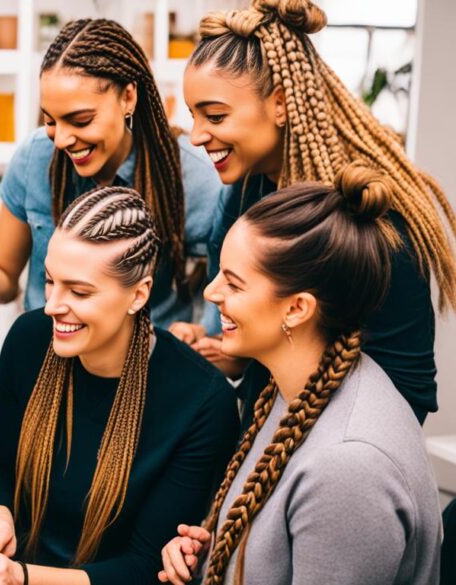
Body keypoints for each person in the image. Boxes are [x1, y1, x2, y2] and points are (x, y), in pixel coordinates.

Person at [174, 0, 456, 422]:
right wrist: (221, 343)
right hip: (260, 439)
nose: (196, 136)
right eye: (193, 116)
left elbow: (408, 385)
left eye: (215, 115)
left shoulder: (370, 212)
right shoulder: (244, 189)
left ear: (281, 103)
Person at [158, 164, 441, 585]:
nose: (211, 292)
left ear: (297, 309)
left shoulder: (349, 468)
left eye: (234, 284)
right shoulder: (296, 388)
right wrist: (212, 554)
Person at [0, 186, 239, 584]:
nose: (53, 304)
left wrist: (22, 578)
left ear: (138, 294)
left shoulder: (203, 402)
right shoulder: (29, 339)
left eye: (80, 291)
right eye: (50, 281)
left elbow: (145, 568)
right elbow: (0, 465)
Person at [0, 19, 223, 327]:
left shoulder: (187, 176)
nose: (62, 139)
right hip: (49, 357)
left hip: (147, 366)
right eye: (51, 120)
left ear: (128, 98)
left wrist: (203, 338)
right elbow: (4, 278)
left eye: (80, 120)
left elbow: (227, 285)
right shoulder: (35, 159)